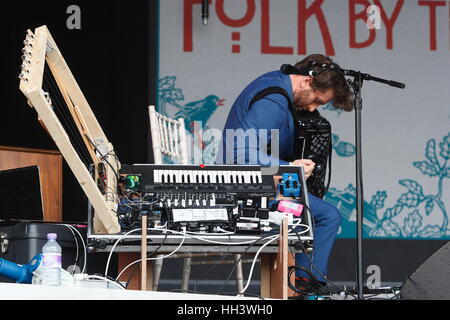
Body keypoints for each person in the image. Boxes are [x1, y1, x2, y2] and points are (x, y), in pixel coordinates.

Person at [215, 54, 353, 292]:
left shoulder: (277, 80)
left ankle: (302, 282)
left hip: (258, 182)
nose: (312, 108)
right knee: (325, 216)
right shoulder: (274, 102)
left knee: (312, 204)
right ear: (307, 82)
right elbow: (239, 154)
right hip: (244, 190)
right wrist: (290, 168)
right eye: (317, 101)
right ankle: (303, 287)